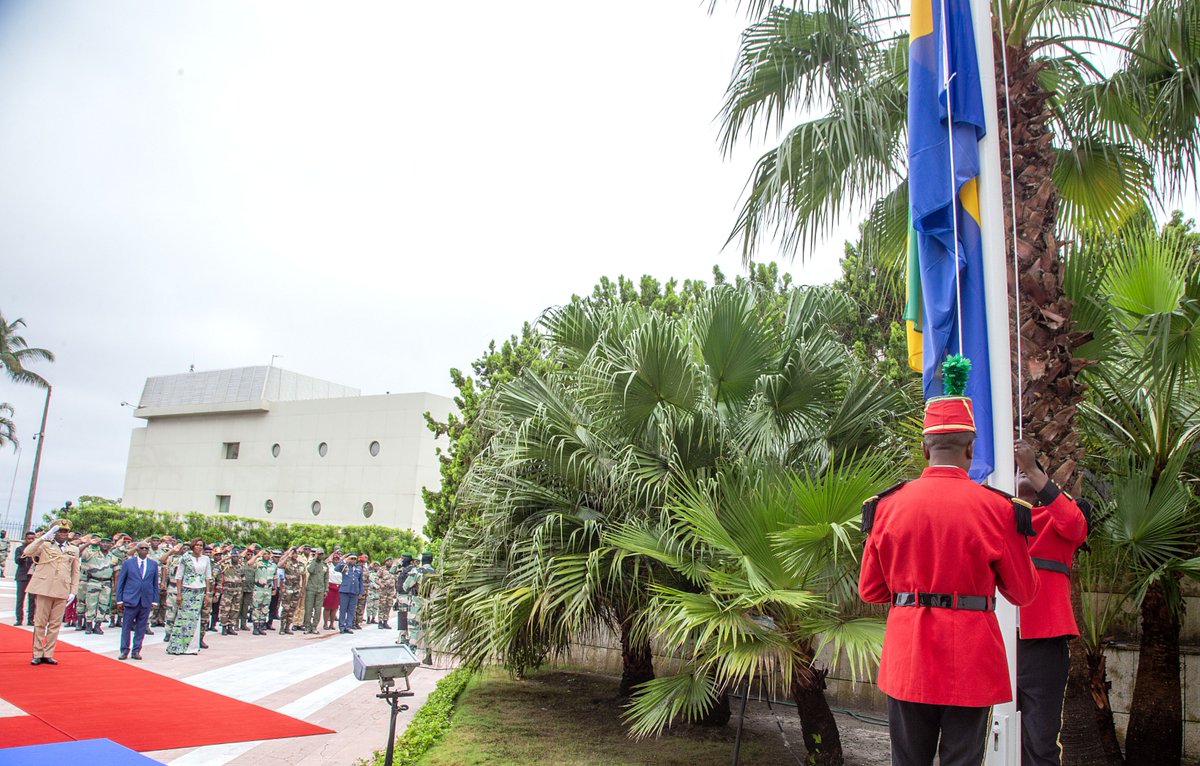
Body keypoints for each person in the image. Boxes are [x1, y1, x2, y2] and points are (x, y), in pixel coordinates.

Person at [858, 371, 1039, 766]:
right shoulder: (998, 509)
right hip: (971, 658)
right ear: (970, 448)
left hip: (909, 655)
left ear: (925, 449)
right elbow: (1023, 592)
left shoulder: (887, 507)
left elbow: (870, 590)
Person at [1014, 442, 1089, 766]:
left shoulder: (1057, 518)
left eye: (1025, 471)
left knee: (1040, 739)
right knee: (991, 734)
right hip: (994, 639)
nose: (1020, 473)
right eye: (1016, 470)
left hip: (1043, 643)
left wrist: (1032, 469)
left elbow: (1074, 524)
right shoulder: (992, 516)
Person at [24, 519, 81, 665]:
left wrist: (73, 591)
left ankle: (48, 653)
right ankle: (37, 653)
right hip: (45, 588)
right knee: (40, 623)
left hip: (62, 589)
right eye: (60, 531)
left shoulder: (73, 549)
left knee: (55, 625)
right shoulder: (45, 545)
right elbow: (27, 552)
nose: (63, 534)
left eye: (65, 531)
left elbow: (75, 572)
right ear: (55, 532)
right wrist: (43, 537)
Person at [166, 538, 212, 655]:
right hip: (187, 590)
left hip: (199, 591)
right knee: (183, 618)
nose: (199, 547)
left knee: (195, 619)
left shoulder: (206, 559)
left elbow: (208, 577)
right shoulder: (185, 558)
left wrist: (207, 594)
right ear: (192, 546)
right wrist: (179, 594)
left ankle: (192, 647)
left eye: (201, 545)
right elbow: (179, 576)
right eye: (197, 545)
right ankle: (178, 646)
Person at [115, 540, 160, 660]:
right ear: (137, 550)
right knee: (126, 626)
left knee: (141, 627)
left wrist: (155, 600)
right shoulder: (128, 563)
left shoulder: (153, 564)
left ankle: (136, 651)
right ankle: (124, 650)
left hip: (145, 600)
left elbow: (155, 584)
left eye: (146, 548)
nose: (144, 550)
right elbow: (121, 582)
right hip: (130, 599)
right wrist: (119, 599)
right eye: (142, 548)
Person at [402, 552, 437, 664]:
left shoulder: (417, 571)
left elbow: (406, 586)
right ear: (431, 560)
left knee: (414, 628)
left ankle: (412, 654)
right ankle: (428, 655)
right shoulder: (435, 572)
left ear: (422, 560)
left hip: (416, 602)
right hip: (429, 602)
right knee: (427, 629)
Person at [80, 535, 119, 634]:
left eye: (107, 543)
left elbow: (116, 572)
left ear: (111, 545)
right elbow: (79, 553)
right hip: (93, 581)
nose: (105, 544)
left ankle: (98, 625)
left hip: (106, 583)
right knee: (91, 603)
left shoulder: (113, 558)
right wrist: (88, 543)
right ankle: (89, 625)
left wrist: (116, 586)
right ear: (99, 543)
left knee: (103, 604)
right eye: (103, 542)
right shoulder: (91, 554)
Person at [249, 549, 279, 635]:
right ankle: (255, 627)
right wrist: (257, 555)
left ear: (270, 555)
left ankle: (261, 627)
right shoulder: (258, 563)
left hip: (268, 589)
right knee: (256, 608)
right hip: (259, 588)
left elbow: (275, 577)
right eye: (264, 554)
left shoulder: (273, 565)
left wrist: (275, 588)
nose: (266, 555)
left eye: (268, 554)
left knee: (265, 608)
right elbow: (249, 563)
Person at [276, 547, 303, 635]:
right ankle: (282, 628)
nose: (295, 555)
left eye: (296, 553)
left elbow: (304, 576)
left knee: (292, 609)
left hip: (296, 589)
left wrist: (302, 589)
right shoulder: (287, 562)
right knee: (285, 608)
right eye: (293, 553)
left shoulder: (300, 564)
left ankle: (287, 627)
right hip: (287, 588)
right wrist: (288, 554)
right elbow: (279, 565)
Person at [217, 548, 244, 635]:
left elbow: (243, 578)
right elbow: (217, 565)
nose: (235, 558)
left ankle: (231, 626)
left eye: (237, 556)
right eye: (233, 556)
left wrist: (241, 590)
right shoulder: (226, 565)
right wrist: (225, 558)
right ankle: (224, 627)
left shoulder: (240, 567)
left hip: (237, 590)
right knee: (225, 609)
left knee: (234, 609)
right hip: (228, 590)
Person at [335, 553, 364, 634]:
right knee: (343, 609)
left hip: (354, 591)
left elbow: (361, 581)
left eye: (354, 559)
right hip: (345, 590)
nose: (353, 560)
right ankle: (342, 626)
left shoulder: (358, 568)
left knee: (351, 610)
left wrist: (361, 592)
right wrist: (344, 560)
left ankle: (348, 626)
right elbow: (336, 568)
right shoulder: (344, 566)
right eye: (351, 558)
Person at [303, 548, 329, 634]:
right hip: (311, 589)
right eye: (318, 554)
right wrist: (315, 558)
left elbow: (326, 578)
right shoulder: (312, 562)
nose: (320, 556)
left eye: (321, 554)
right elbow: (310, 570)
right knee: (308, 609)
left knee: (318, 610)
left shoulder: (324, 565)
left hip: (320, 590)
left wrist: (326, 589)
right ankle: (307, 626)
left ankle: (314, 626)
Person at [14, 531, 37, 625]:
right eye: (29, 539)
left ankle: (30, 619)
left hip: (33, 577)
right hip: (22, 576)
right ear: (25, 539)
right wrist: (25, 554)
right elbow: (17, 560)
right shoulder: (20, 549)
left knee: (32, 600)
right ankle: (19, 619)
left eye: (32, 539)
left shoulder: (37, 550)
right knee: (20, 599)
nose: (31, 541)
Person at [324, 552, 342, 630]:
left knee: (335, 607)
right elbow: (325, 561)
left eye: (338, 559)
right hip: (330, 586)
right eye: (335, 559)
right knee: (327, 607)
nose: (336, 560)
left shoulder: (342, 567)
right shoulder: (329, 566)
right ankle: (325, 624)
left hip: (338, 587)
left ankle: (332, 624)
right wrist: (333, 554)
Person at [377, 557, 396, 629]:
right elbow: (376, 579)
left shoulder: (394, 569)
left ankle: (385, 621)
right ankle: (380, 621)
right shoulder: (382, 569)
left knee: (389, 606)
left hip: (391, 591)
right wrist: (380, 584)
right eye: (388, 561)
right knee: (382, 606)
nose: (390, 562)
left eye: (391, 561)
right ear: (385, 562)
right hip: (383, 590)